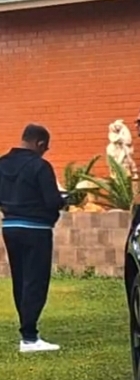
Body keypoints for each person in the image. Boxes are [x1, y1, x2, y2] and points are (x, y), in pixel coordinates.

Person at [0, 124, 65, 353]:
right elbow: (52, 200)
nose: (45, 151)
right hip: (36, 229)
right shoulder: (40, 166)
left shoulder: (2, 163)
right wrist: (63, 202)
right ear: (39, 144)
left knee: (21, 279)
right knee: (36, 281)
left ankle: (26, 331)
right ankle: (29, 337)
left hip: (10, 226)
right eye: (45, 147)